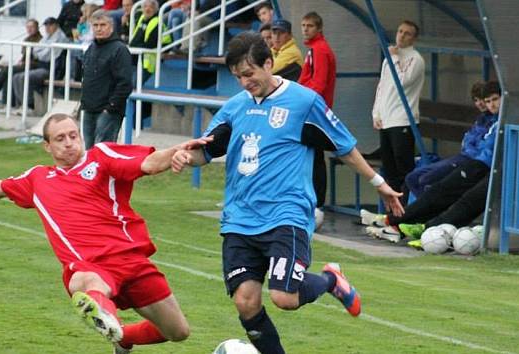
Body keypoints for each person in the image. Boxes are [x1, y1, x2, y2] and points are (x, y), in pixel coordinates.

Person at [170, 32, 403, 354]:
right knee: (245, 302)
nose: (244, 83)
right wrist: (186, 155)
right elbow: (206, 150)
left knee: (284, 297)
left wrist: (379, 184)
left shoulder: (304, 103)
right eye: (238, 77)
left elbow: (344, 147)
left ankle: (331, 280)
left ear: (269, 63)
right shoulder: (236, 107)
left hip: (286, 215)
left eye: (249, 74)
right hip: (239, 218)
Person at [0, 113, 212, 354]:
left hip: (131, 261)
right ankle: (101, 312)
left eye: (73, 136)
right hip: (90, 266)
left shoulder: (102, 157)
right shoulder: (38, 179)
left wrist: (178, 151)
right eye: (60, 139)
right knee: (85, 282)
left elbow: (147, 161)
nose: (69, 143)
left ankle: (121, 337)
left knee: (178, 332)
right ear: (47, 146)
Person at [362, 81, 501, 241]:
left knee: (439, 187)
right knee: (416, 179)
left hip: (479, 163)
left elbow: (486, 146)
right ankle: (397, 222)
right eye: (487, 101)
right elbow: (471, 140)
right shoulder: (486, 119)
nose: (491, 105)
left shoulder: (500, 121)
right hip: (471, 160)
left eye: (494, 99)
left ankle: (405, 224)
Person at [404, 81, 493, 197]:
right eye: (476, 100)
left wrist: (470, 146)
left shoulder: (494, 121)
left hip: (471, 161)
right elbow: (468, 139)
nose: (480, 104)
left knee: (425, 179)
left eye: (482, 99)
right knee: (411, 178)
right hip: (463, 156)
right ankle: (427, 211)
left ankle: (430, 210)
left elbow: (480, 145)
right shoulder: (481, 119)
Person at [372, 20, 425, 199]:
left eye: (407, 33)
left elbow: (401, 81)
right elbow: (382, 86)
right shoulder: (389, 58)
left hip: (403, 120)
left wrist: (394, 58)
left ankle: (406, 211)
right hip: (386, 120)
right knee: (389, 169)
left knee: (404, 168)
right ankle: (392, 212)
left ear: (414, 39)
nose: (401, 36)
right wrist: (376, 112)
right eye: (400, 31)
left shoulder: (415, 59)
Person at [298, 11, 337, 228]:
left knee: (314, 158)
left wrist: (298, 98)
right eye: (303, 25)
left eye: (310, 26)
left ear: (319, 28)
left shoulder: (320, 50)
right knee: (312, 156)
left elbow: (319, 84)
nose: (305, 29)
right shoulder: (314, 49)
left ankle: (317, 204)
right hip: (312, 108)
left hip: (314, 111)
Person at [81, 10, 133, 147]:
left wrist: (110, 107)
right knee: (89, 153)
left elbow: (125, 83)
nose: (99, 29)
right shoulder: (91, 48)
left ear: (111, 27)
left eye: (103, 25)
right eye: (95, 25)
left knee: (103, 152)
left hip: (108, 111)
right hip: (89, 108)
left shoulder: (120, 50)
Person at [12, 17, 69, 113]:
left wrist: (40, 52)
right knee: (16, 77)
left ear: (56, 25)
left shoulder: (60, 37)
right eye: (46, 25)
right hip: (42, 66)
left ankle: (30, 106)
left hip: (52, 69)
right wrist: (41, 52)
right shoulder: (47, 37)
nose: (47, 27)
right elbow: (36, 51)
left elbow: (46, 55)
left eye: (50, 25)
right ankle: (22, 105)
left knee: (25, 77)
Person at [0, 19, 42, 106]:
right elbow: (25, 56)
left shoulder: (40, 40)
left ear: (37, 28)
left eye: (32, 27)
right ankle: (8, 104)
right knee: (9, 76)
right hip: (25, 64)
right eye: (28, 27)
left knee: (7, 70)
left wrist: (24, 62)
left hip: (35, 65)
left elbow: (37, 58)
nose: (29, 29)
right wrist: (22, 61)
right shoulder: (27, 39)